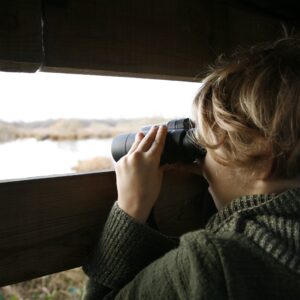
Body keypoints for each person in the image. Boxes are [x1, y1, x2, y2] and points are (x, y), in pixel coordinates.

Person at [82, 37, 300, 299]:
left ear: (265, 157)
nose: (201, 160)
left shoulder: (210, 264)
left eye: (207, 147)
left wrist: (130, 209)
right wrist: (222, 173)